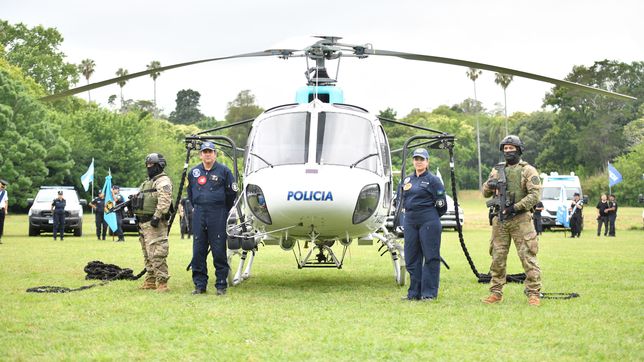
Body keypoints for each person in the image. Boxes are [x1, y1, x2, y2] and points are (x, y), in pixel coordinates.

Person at [482, 135, 542, 306]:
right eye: (505, 149)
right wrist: (490, 185)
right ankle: (496, 292)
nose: (508, 151)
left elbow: (535, 195)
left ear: (519, 149)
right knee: (497, 257)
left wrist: (515, 207)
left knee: (528, 256)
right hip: (500, 220)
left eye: (511, 148)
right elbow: (485, 192)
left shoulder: (528, 170)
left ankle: (533, 293)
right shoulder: (496, 170)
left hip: (521, 219)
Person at [188, 141, 237, 296]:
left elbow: (232, 193)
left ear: (215, 154)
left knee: (218, 249)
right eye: (205, 152)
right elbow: (190, 193)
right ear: (201, 154)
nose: (207, 154)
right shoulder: (194, 172)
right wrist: (198, 205)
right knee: (198, 250)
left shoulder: (224, 171)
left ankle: (221, 284)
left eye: (210, 151)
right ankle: (200, 285)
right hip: (200, 213)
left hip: (218, 213)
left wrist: (222, 208)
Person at [399, 148, 447, 301]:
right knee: (411, 257)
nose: (418, 162)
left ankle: (428, 293)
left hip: (429, 220)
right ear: (413, 161)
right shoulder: (407, 180)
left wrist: (430, 217)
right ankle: (414, 293)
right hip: (410, 221)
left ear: (427, 162)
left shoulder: (434, 180)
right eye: (416, 159)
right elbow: (401, 200)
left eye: (422, 159)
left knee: (431, 257)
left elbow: (441, 204)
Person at [133, 153, 173, 292]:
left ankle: (162, 282)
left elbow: (165, 200)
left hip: (155, 223)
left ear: (159, 165)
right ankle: (150, 280)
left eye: (152, 165)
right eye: (148, 165)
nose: (149, 167)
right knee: (147, 253)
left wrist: (157, 216)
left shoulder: (163, 181)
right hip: (144, 224)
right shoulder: (148, 182)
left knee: (157, 252)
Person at [0, 179, 8, 244]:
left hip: (1, 210)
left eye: (4, 187)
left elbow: (6, 201)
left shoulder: (5, 192)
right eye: (2, 186)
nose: (3, 187)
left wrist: (6, 210)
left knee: (1, 225)